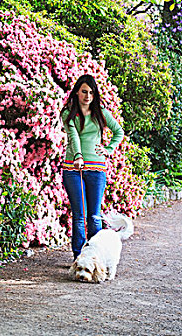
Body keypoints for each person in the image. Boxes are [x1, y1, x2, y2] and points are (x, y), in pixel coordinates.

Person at [61, 74, 124, 260]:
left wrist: (108, 149)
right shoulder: (69, 113)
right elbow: (74, 137)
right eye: (84, 92)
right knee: (79, 216)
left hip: (97, 168)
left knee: (94, 216)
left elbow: (118, 132)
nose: (88, 96)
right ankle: (79, 257)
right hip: (73, 168)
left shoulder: (101, 113)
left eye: (91, 92)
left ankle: (96, 256)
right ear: (77, 93)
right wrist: (78, 156)